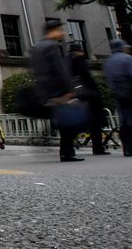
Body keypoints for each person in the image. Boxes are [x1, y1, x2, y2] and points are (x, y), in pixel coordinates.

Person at [30, 19, 84, 162]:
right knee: (70, 121)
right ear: (53, 31)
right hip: (56, 89)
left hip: (43, 89)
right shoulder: (53, 46)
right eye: (60, 30)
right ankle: (67, 152)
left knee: (59, 120)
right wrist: (69, 90)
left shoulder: (37, 47)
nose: (63, 33)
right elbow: (60, 69)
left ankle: (64, 150)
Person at [65, 42, 110, 155]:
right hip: (88, 94)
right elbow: (87, 76)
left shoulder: (65, 61)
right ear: (79, 51)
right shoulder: (79, 60)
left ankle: (68, 146)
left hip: (74, 93)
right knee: (95, 122)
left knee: (75, 121)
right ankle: (97, 147)